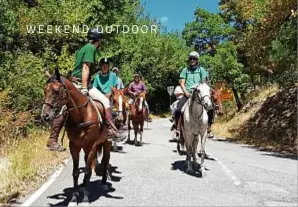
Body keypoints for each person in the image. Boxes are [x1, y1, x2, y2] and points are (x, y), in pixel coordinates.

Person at [45, 27, 125, 152]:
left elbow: (77, 67)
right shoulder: (91, 48)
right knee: (105, 101)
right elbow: (85, 68)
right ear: (98, 40)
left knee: (65, 108)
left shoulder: (82, 48)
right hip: (82, 83)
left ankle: (53, 139)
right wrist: (84, 87)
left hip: (73, 81)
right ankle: (111, 129)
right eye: (101, 40)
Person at [174, 51, 209, 131]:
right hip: (188, 94)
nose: (192, 60)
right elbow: (182, 83)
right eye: (190, 58)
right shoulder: (185, 70)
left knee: (210, 108)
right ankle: (177, 128)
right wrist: (186, 92)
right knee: (178, 110)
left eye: (194, 58)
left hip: (199, 94)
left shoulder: (201, 70)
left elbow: (204, 82)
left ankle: (209, 128)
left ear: (197, 60)